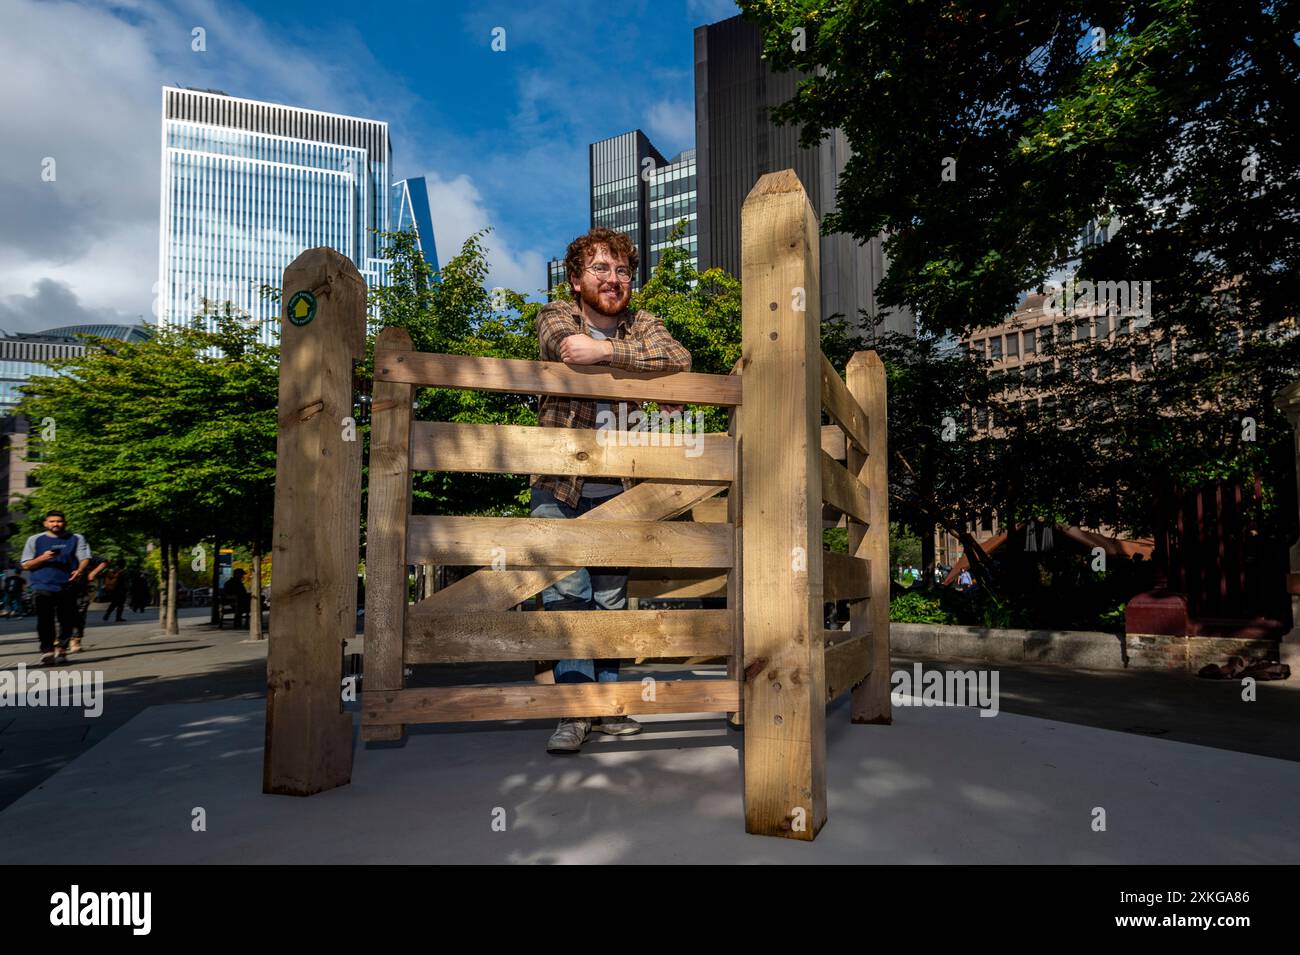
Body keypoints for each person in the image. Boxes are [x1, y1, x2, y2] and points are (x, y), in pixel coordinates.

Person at [531, 226, 692, 755]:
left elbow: (678, 359)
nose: (615, 278)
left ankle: (610, 704)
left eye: (623, 270)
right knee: (565, 596)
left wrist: (608, 356)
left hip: (621, 486)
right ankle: (576, 713)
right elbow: (568, 347)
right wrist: (637, 369)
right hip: (560, 483)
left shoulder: (644, 321)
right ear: (576, 279)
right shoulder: (556, 313)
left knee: (609, 600)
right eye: (601, 268)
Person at [20, 511, 91, 665]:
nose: (55, 524)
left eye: (59, 521)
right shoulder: (34, 540)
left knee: (66, 620)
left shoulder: (76, 538)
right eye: (52, 521)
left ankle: (62, 649)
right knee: (45, 620)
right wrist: (42, 558)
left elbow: (85, 558)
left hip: (67, 585)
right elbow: (25, 564)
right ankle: (47, 651)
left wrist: (79, 570)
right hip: (42, 585)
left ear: (65, 522)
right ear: (45, 523)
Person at [67, 552, 110, 652]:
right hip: (62, 588)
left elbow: (104, 561)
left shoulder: (85, 554)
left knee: (80, 614)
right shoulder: (62, 552)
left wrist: (93, 573)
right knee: (61, 614)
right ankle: (58, 641)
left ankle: (75, 640)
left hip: (81, 588)